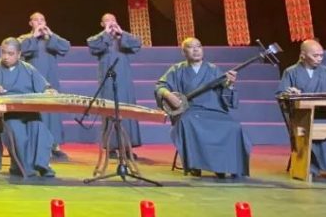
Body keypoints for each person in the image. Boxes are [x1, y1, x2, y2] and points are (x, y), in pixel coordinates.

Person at [155, 37, 250, 178]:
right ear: (184, 52)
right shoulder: (177, 70)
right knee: (188, 122)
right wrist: (168, 95)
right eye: (190, 47)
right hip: (190, 110)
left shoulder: (213, 69)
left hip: (214, 110)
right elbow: (160, 86)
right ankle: (195, 164)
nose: (195, 50)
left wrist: (230, 84)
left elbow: (226, 94)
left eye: (198, 46)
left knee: (233, 127)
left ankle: (223, 166)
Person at [0, 38, 56, 178]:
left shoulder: (28, 69)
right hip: (7, 114)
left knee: (40, 129)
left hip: (29, 112)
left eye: (10, 54)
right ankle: (22, 167)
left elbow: (44, 87)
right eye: (3, 52)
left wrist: (48, 91)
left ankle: (42, 166)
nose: (6, 57)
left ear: (19, 54)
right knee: (17, 132)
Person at [277, 38, 326, 177]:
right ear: (303, 55)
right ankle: (311, 167)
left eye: (321, 55)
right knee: (310, 128)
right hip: (304, 117)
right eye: (315, 55)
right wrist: (290, 94)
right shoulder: (291, 72)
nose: (319, 59)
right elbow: (281, 95)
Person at [87, 13, 142, 151]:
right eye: (107, 21)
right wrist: (105, 33)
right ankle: (111, 146)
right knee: (109, 108)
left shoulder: (123, 37)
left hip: (124, 78)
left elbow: (137, 44)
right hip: (107, 78)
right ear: (102, 24)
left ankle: (127, 146)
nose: (111, 23)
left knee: (126, 108)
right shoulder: (99, 38)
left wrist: (121, 33)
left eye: (113, 20)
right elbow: (93, 45)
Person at [19, 11, 70, 157]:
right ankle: (35, 145)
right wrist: (34, 37)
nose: (40, 22)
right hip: (32, 81)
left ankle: (54, 145)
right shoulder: (24, 38)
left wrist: (51, 34)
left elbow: (65, 47)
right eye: (36, 20)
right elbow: (20, 50)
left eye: (42, 20)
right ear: (31, 23)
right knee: (36, 112)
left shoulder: (50, 38)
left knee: (53, 112)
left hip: (51, 79)